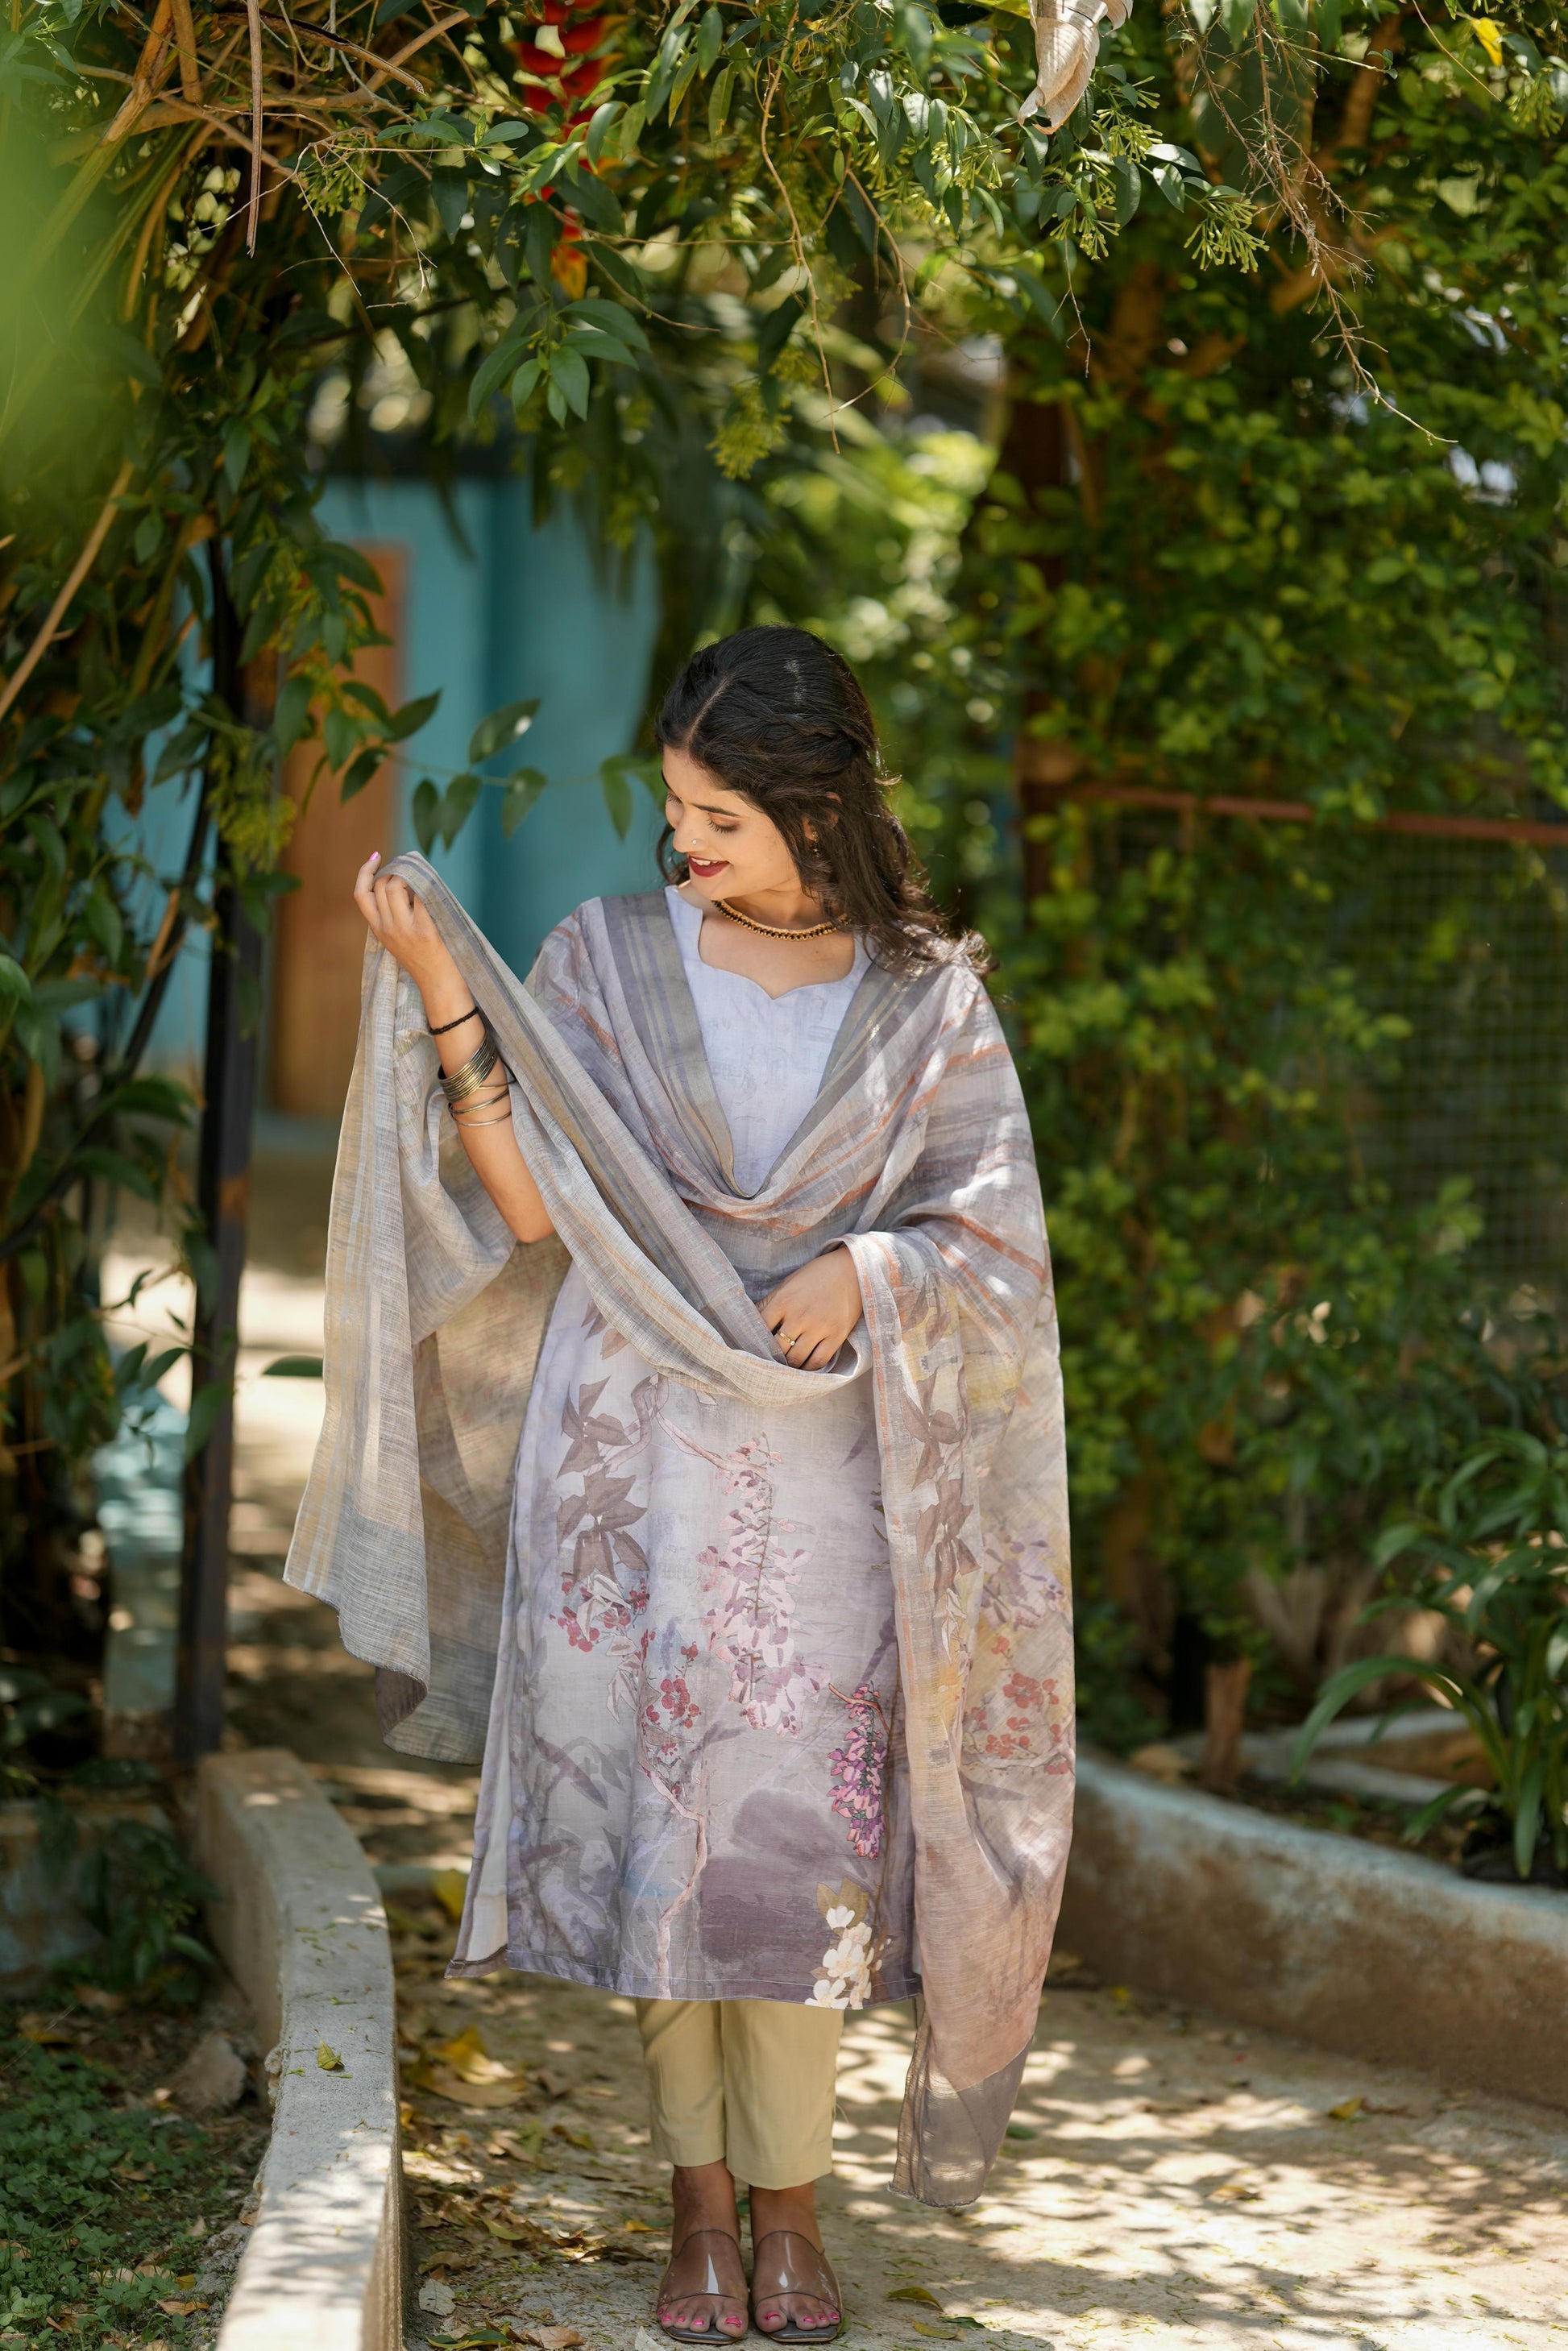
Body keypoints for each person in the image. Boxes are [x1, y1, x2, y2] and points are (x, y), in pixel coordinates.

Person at [286, 626, 1073, 2345]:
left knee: (793, 1853)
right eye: (676, 807)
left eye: (721, 815)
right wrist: (440, 981)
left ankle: (795, 2214)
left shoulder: (929, 998)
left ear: (816, 807)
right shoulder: (608, 958)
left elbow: (993, 1247)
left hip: (824, 1486)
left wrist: (868, 1268)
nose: (683, 842)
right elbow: (536, 1207)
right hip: (628, 1461)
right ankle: (700, 2211)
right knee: (666, 1835)